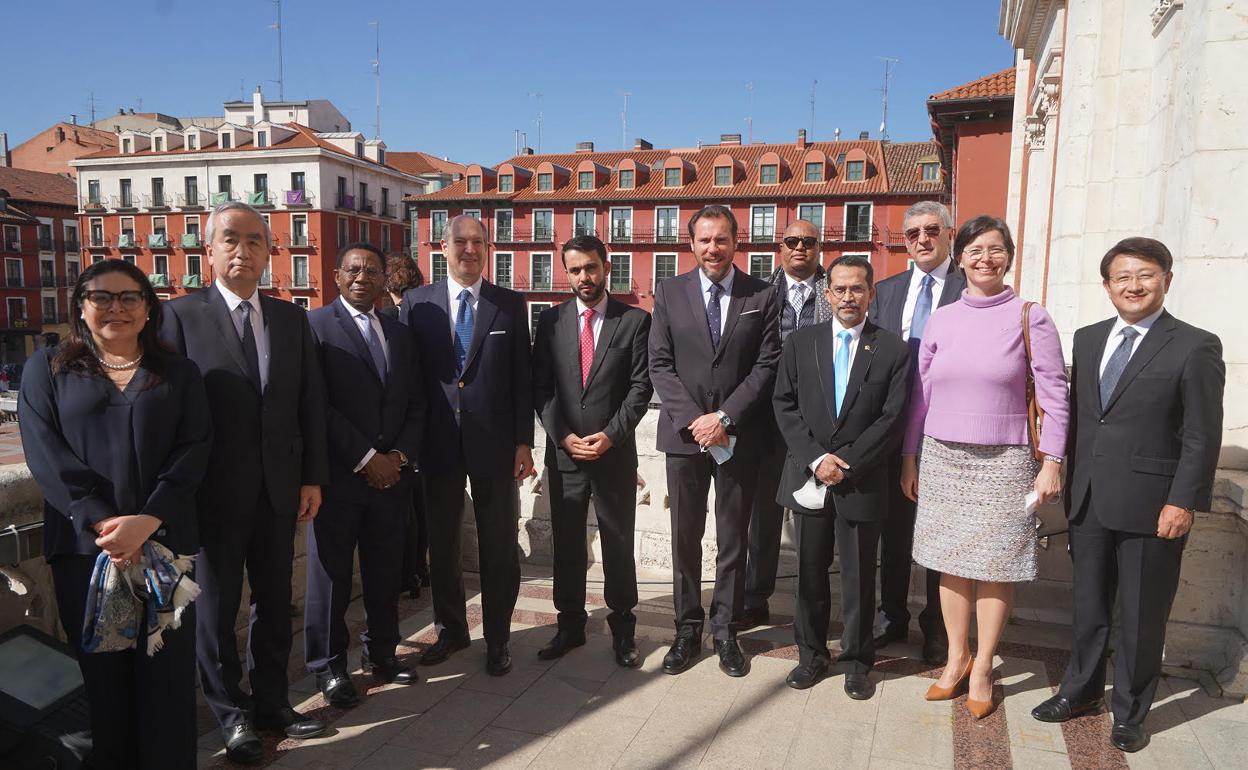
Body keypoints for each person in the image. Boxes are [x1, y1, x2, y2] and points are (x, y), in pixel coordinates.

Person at [1031, 238, 1224, 753]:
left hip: (1152, 504)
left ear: (1166, 279)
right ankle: (1080, 691)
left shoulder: (1195, 344)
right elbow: (1081, 418)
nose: (1133, 286)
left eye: (1145, 275)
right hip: (1089, 500)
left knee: (1141, 616)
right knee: (1089, 606)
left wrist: (1183, 501)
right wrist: (1059, 473)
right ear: (1107, 286)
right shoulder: (1090, 338)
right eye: (1122, 277)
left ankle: (1132, 711)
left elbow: (1202, 433)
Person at [19, 260, 212, 769]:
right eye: (101, 297)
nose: (116, 308)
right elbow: (46, 455)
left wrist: (148, 520)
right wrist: (105, 524)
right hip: (87, 552)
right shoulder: (48, 369)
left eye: (129, 297)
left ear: (149, 309)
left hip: (167, 550)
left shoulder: (179, 372)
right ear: (81, 305)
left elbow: (195, 448)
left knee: (167, 680)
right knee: (103, 685)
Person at [161, 201, 329, 764]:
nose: (243, 250)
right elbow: (168, 414)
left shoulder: (290, 319)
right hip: (211, 496)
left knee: (275, 602)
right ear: (208, 249)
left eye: (255, 240)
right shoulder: (179, 318)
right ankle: (231, 715)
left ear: (268, 251)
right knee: (215, 610)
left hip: (279, 491)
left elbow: (309, 405)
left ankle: (274, 703)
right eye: (230, 239)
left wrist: (312, 478)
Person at [900, 215, 1068, 719]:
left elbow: (1056, 394)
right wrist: (910, 457)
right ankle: (956, 658)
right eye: (975, 250)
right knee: (950, 561)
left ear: (1009, 256)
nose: (985, 259)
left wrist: (1052, 462)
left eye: (995, 249)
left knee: (996, 566)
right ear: (961, 258)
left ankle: (983, 666)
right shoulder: (943, 318)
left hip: (1007, 458)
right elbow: (920, 396)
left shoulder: (1030, 316)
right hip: (943, 456)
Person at [648, 204, 781, 677]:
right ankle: (686, 628)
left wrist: (723, 417)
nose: (713, 248)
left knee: (732, 539)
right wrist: (697, 421)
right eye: (704, 239)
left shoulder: (762, 295)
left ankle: (725, 629)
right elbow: (659, 364)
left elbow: (767, 365)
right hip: (685, 439)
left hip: (738, 436)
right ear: (691, 244)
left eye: (721, 239)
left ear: (736, 242)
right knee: (685, 536)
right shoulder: (669, 291)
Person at [400, 214, 535, 677]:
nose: (470, 249)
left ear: (488, 248)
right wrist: (407, 444)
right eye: (461, 241)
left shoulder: (510, 305)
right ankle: (451, 630)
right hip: (436, 446)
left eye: (479, 242)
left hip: (496, 446)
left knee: (499, 545)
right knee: (442, 544)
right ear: (443, 247)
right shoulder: (416, 304)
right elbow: (408, 381)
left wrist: (524, 441)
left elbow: (522, 379)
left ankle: (499, 638)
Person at [772, 255, 910, 698]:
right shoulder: (800, 343)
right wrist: (817, 459)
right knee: (809, 573)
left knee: (857, 578)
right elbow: (785, 405)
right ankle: (811, 655)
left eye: (857, 288)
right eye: (840, 289)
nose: (848, 297)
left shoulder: (891, 349)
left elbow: (892, 418)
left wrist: (846, 463)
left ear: (871, 294)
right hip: (810, 478)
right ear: (826, 294)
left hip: (862, 480)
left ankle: (855, 659)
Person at [303, 242, 426, 709]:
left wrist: (398, 456)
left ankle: (383, 654)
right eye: (353, 269)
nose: (362, 277)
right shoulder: (314, 327)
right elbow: (316, 404)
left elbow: (416, 402)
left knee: (385, 572)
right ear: (336, 276)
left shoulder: (398, 333)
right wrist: (364, 456)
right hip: (337, 479)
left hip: (392, 479)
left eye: (372, 271)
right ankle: (329, 668)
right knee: (330, 579)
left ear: (383, 280)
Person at [532, 235, 653, 667]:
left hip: (613, 455)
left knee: (618, 543)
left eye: (591, 267)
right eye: (575, 269)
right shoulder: (549, 323)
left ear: (607, 266)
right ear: (566, 272)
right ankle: (570, 627)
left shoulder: (635, 322)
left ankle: (624, 629)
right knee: (566, 545)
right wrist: (562, 436)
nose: (584, 276)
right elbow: (541, 389)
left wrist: (611, 435)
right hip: (564, 456)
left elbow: (642, 387)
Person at [866, 200, 965, 665]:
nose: (922, 240)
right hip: (889, 427)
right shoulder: (885, 291)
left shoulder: (970, 290)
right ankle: (891, 615)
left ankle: (938, 627)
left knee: (942, 531)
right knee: (894, 529)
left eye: (931, 230)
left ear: (949, 233)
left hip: (948, 430)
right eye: (912, 234)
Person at [741, 218, 833, 630]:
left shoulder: (837, 292)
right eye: (792, 241)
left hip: (821, 423)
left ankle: (811, 610)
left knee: (816, 522)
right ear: (780, 247)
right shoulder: (759, 294)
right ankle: (755, 598)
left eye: (808, 241)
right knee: (763, 515)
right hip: (766, 421)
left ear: (818, 247)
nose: (800, 248)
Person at [381, 252, 429, 598]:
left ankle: (404, 574)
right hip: (426, 429)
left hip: (396, 434)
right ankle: (420, 570)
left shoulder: (386, 321)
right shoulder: (428, 318)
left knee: (402, 512)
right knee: (422, 509)